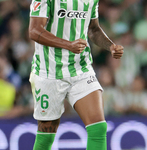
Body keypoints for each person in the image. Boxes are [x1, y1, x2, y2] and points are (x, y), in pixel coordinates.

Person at [28, 0, 124, 149]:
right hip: (48, 72)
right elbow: (34, 30)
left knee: (98, 128)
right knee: (46, 135)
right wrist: (68, 45)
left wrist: (110, 46)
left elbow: (93, 29)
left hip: (80, 68)